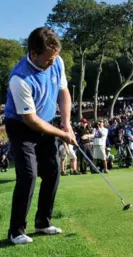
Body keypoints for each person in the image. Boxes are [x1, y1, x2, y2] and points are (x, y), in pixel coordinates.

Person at [3, 27, 76, 244]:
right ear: (34, 53)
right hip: (21, 126)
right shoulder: (19, 78)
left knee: (53, 171)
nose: (52, 63)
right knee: (28, 175)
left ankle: (43, 222)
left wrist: (66, 122)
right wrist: (62, 135)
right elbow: (31, 121)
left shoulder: (57, 61)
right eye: (48, 59)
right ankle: (16, 231)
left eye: (55, 57)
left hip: (47, 123)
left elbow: (63, 91)